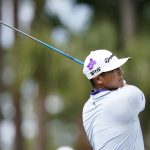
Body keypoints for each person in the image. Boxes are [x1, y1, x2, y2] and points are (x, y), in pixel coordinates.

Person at [82, 49, 146, 150]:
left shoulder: (87, 107)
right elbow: (139, 97)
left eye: (118, 68)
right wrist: (122, 82)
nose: (121, 72)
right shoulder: (127, 98)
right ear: (98, 79)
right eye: (114, 70)